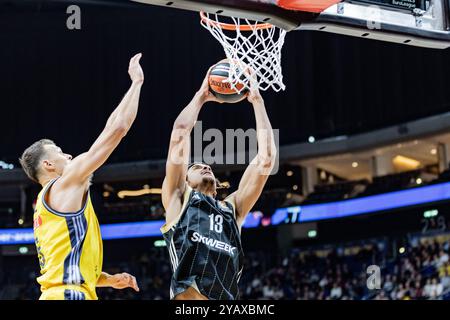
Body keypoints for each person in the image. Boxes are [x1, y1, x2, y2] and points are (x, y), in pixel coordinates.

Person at [19, 53, 144, 300]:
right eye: (60, 153)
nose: (69, 155)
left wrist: (106, 279)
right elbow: (116, 129)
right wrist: (137, 83)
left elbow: (64, 263)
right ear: (47, 164)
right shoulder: (64, 184)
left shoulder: (47, 207)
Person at [161, 66, 277, 300]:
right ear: (184, 180)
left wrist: (257, 100)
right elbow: (180, 134)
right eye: (195, 167)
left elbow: (266, 159)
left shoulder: (233, 209)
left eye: (209, 167)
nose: (205, 166)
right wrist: (201, 96)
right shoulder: (178, 200)